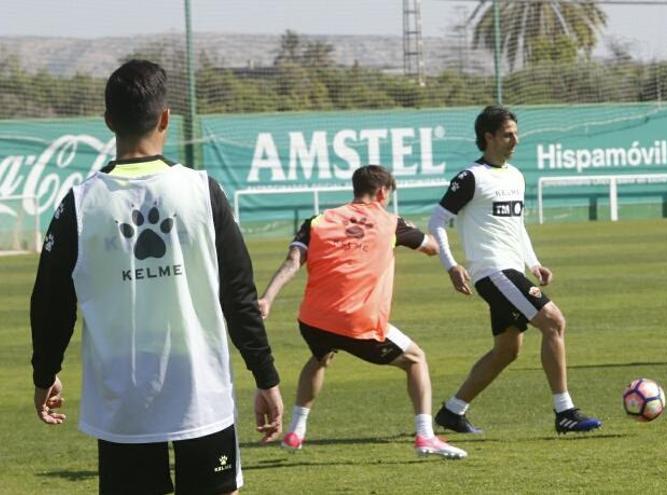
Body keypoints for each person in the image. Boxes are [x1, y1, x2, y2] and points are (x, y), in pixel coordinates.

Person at [30, 60, 284, 495]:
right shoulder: (205, 192)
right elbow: (239, 295)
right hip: (199, 393)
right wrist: (266, 377)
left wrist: (45, 373)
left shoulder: (79, 204)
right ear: (166, 117)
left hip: (124, 399)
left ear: (109, 121)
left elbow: (51, 302)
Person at [258, 164, 467, 459]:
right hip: (357, 321)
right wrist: (431, 236)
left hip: (313, 320)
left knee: (321, 357)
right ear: (382, 192)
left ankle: (296, 431)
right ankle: (425, 436)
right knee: (416, 359)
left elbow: (293, 260)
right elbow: (431, 247)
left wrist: (267, 298)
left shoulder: (319, 220)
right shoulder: (391, 222)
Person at [427, 105, 602, 435]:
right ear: (488, 137)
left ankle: (452, 411)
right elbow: (436, 221)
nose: (515, 140)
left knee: (507, 349)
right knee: (554, 322)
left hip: (511, 270)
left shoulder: (515, 176)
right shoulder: (470, 178)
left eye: (516, 133)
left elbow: (515, 227)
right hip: (492, 271)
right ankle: (565, 412)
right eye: (508, 134)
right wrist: (451, 265)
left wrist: (533, 261)